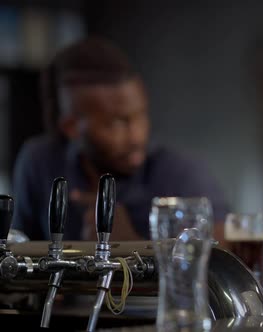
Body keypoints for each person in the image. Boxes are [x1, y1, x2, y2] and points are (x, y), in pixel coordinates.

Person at [11, 36, 230, 242]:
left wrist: (131, 246)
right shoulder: (39, 162)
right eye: (116, 123)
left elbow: (228, 257)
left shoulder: (180, 173)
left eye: (141, 115)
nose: (137, 135)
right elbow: (17, 254)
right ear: (71, 127)